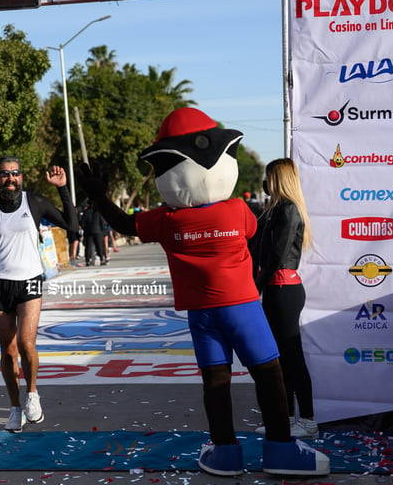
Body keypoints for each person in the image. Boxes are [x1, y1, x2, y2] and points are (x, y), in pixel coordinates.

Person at [78, 107, 328, 476]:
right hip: (242, 306)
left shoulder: (165, 220)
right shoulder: (238, 210)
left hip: (202, 314)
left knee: (216, 381)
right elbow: (251, 237)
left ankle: (225, 452)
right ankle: (280, 450)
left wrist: (98, 195)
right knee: (269, 374)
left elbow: (123, 223)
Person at [0, 156, 78, 433]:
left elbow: (72, 226)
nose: (11, 178)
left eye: (15, 173)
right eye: (5, 174)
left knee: (27, 344)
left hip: (28, 281)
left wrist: (63, 189)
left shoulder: (35, 202)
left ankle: (33, 394)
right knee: (8, 350)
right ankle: (15, 409)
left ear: (21, 176)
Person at [248, 159, 317, 438]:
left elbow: (277, 256)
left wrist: (256, 286)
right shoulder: (274, 209)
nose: (265, 182)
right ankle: (286, 419)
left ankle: (309, 421)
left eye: (268, 177)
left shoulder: (288, 210)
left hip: (284, 291)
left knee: (293, 357)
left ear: (277, 178)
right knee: (279, 359)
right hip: (275, 290)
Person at [81, 201, 107, 266]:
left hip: (89, 232)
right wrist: (103, 230)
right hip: (98, 231)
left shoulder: (86, 213)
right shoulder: (98, 212)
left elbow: (82, 223)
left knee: (88, 247)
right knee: (100, 246)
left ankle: (88, 261)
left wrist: (86, 230)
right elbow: (102, 222)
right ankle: (101, 259)